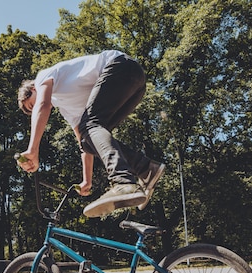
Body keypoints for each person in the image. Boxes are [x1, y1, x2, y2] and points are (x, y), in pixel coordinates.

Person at [17, 50, 165, 218]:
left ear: (33, 89)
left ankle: (123, 181)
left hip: (120, 67)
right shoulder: (66, 108)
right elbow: (85, 142)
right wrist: (87, 180)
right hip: (134, 84)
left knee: (90, 126)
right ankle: (146, 169)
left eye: (32, 105)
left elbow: (42, 104)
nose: (36, 109)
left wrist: (32, 149)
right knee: (88, 140)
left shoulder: (43, 77)